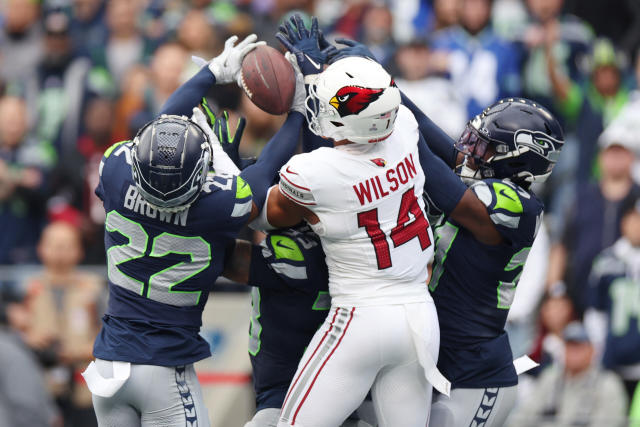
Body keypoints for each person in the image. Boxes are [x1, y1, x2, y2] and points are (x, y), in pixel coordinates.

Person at [81, 33, 308, 427]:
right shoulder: (217, 205)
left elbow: (157, 130)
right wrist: (300, 112)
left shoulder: (116, 170)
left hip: (108, 365)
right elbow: (264, 169)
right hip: (164, 370)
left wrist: (208, 74)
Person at [21, 220, 103, 427]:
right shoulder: (29, 288)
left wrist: (85, 350)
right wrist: (29, 341)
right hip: (41, 387)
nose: (59, 251)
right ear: (40, 248)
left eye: (66, 245)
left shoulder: (93, 288)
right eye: (53, 244)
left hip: (85, 386)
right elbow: (15, 335)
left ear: (79, 250)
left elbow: (111, 333)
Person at [507, 322, 628, 427]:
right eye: (569, 346)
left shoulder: (607, 384)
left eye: (579, 346)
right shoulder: (549, 379)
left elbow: (609, 423)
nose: (573, 352)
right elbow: (521, 418)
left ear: (592, 350)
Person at [586, 190, 640, 400]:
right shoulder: (607, 261)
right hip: (614, 360)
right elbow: (594, 312)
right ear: (624, 221)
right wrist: (600, 351)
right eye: (634, 219)